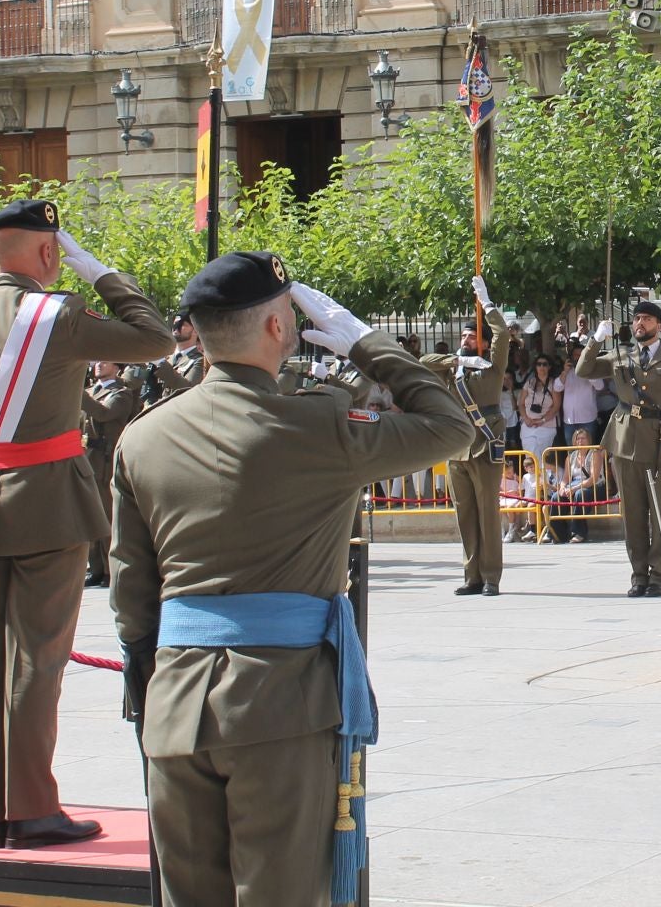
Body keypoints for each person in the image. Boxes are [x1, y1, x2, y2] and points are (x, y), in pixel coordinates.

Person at [110, 254, 472, 907]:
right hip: (279, 705)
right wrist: (369, 345)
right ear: (280, 326)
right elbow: (452, 428)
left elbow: (132, 596)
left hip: (172, 703)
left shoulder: (141, 437)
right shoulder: (318, 425)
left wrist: (153, 689)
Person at [0, 199, 168, 850]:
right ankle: (31, 810)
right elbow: (155, 339)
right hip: (48, 506)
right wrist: (103, 274)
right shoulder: (61, 315)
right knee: (36, 662)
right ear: (51, 254)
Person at [576, 300, 661, 597]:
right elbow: (584, 370)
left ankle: (658, 575)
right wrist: (595, 339)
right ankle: (638, 574)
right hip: (626, 437)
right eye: (636, 318)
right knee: (632, 511)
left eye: (646, 319)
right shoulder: (620, 354)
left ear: (658, 324)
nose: (639, 324)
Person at [422, 281, 511, 597]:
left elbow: (503, 336)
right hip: (457, 446)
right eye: (463, 336)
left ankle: (490, 577)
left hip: (484, 443)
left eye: (472, 337)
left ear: (483, 345)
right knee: (465, 514)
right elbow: (422, 362)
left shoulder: (492, 366)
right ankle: (471, 574)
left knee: (487, 512)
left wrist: (487, 305)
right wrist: (458, 361)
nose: (465, 340)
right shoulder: (452, 370)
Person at [79, 361, 139, 588]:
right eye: (96, 361)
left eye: (104, 360)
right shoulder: (88, 392)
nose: (98, 364)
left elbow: (104, 414)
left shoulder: (122, 394)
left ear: (116, 367)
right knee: (89, 517)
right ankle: (95, 568)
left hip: (104, 460)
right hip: (86, 457)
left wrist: (78, 393)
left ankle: (109, 570)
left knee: (107, 517)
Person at [516, 353, 560, 463]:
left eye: (544, 364)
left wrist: (543, 420)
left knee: (543, 458)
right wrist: (526, 419)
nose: (541, 367)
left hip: (546, 425)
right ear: (535, 367)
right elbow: (521, 404)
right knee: (530, 457)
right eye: (539, 364)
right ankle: (533, 479)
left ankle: (542, 479)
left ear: (549, 367)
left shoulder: (553, 383)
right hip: (528, 425)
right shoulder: (529, 383)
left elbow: (556, 406)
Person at [153, 313, 205, 397]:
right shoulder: (167, 357)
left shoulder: (200, 360)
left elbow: (188, 390)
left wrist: (161, 363)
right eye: (175, 324)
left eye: (183, 324)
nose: (176, 327)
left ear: (195, 330)